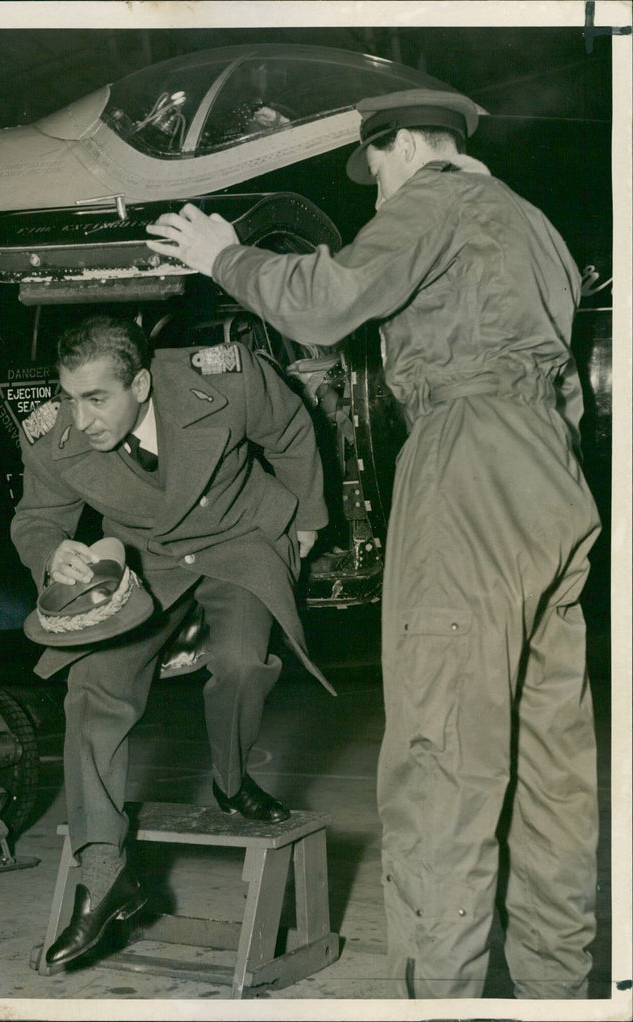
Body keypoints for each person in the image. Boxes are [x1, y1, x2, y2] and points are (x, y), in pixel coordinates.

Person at [146, 88, 601, 999]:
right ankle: (558, 994)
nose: (377, 192)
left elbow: (328, 301)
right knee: (553, 767)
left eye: (375, 171)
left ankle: (442, 1001)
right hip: (554, 479)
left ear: (400, 149)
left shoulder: (435, 198)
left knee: (442, 762)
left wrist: (222, 256)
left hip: (467, 463)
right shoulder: (535, 225)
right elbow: (569, 390)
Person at [11, 313, 333, 970]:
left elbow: (291, 431)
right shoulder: (54, 437)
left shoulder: (227, 382)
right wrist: (52, 553)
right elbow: (37, 517)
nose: (80, 417)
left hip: (240, 536)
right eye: (70, 398)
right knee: (92, 684)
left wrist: (307, 517)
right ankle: (103, 876)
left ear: (140, 384)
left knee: (241, 662)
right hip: (147, 557)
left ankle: (231, 782)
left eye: (96, 399)